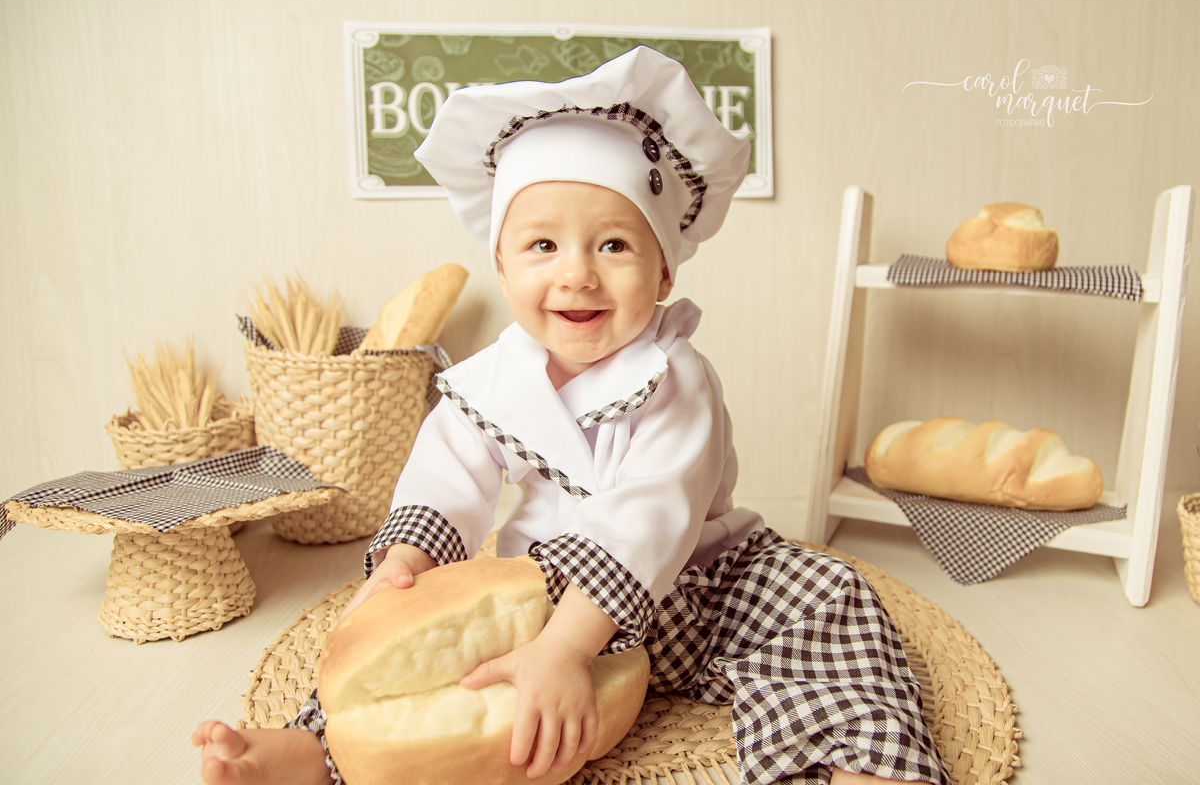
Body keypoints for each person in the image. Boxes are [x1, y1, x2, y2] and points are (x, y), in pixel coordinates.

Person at [193, 46, 950, 785]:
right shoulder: (489, 381)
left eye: (614, 244)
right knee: (409, 642)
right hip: (544, 584)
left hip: (702, 585)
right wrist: (406, 567)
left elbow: (653, 512)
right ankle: (314, 751)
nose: (576, 273)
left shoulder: (675, 375)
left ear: (662, 272)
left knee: (831, 598)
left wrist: (565, 651)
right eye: (543, 244)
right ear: (502, 263)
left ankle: (862, 757)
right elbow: (444, 481)